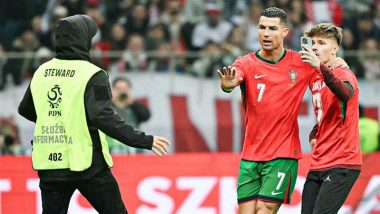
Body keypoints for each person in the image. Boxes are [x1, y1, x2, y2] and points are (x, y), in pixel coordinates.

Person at [18, 15, 170, 214]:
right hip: (87, 163)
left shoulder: (42, 72)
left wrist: (58, 119)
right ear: (83, 39)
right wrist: (144, 140)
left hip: (50, 163)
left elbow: (26, 109)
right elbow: (103, 118)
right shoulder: (92, 74)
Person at [217, 7, 344, 214]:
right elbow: (232, 80)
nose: (266, 33)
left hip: (282, 155)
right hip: (250, 155)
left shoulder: (301, 63)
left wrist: (338, 64)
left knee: (265, 210)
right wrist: (228, 84)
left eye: (272, 29)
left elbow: (329, 78)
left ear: (285, 32)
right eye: (262, 27)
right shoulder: (246, 63)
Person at [300, 23, 362, 214]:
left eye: (321, 42)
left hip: (342, 162)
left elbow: (345, 93)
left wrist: (321, 67)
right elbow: (323, 114)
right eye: (313, 43)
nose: (315, 47)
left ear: (335, 49)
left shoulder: (344, 73)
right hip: (319, 161)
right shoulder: (314, 78)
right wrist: (314, 132)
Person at [108, 77, 151, 154]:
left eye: (124, 88)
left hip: (133, 147)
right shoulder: (107, 106)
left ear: (129, 89)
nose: (121, 91)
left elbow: (146, 116)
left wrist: (133, 104)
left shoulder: (134, 105)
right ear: (113, 90)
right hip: (112, 146)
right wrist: (110, 102)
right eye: (118, 89)